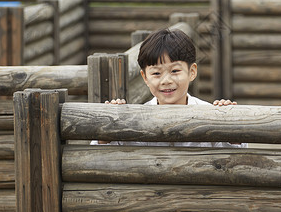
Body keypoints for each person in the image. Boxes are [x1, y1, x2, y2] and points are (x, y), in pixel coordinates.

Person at [91, 28, 245, 148]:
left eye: (175, 71)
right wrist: (109, 126)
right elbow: (106, 155)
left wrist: (229, 125)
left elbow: (233, 157)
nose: (166, 80)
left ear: (192, 72)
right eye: (156, 73)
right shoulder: (135, 118)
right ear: (145, 77)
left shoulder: (210, 114)